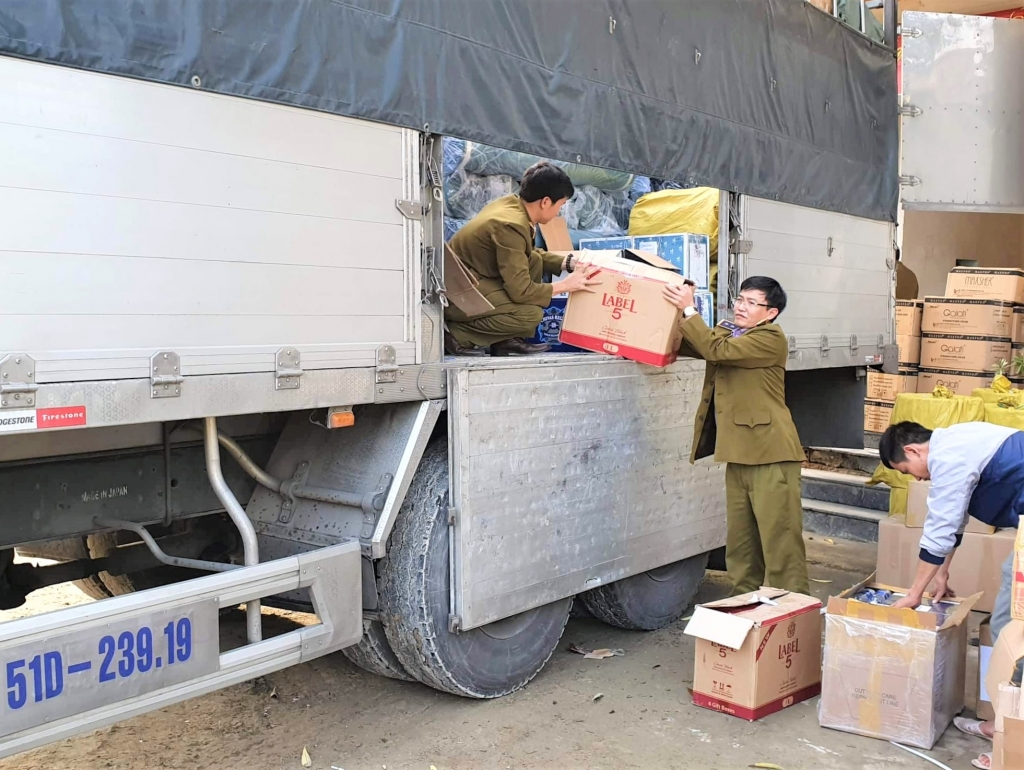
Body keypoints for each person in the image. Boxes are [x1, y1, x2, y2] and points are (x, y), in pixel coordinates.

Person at [879, 420, 1024, 770]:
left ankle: (1012, 739)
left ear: (913, 450)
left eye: (907, 470)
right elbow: (953, 521)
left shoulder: (946, 459)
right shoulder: (957, 440)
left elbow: (941, 527)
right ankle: (1003, 725)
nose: (916, 479)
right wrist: (942, 572)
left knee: (1012, 626)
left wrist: (915, 594)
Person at [663, 276, 809, 596]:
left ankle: (794, 609)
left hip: (771, 453)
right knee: (741, 542)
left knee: (779, 540)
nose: (741, 306)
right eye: (740, 299)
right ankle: (743, 600)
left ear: (770, 312)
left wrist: (689, 308)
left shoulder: (770, 338)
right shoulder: (730, 330)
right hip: (739, 451)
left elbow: (715, 350)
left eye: (751, 302)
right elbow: (696, 343)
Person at [444, 161, 601, 356]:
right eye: (560, 205)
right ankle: (456, 335)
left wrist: (568, 262)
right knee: (530, 314)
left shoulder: (512, 206)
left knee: (533, 262)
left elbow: (528, 254)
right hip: (458, 295)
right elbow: (521, 291)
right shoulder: (511, 225)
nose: (559, 212)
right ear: (545, 202)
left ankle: (506, 340)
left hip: (470, 281)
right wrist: (566, 285)